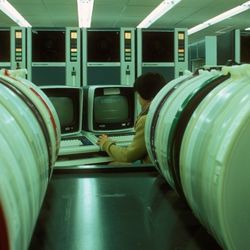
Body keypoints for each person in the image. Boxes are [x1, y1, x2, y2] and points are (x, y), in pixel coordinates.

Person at [97, 72, 166, 164]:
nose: (138, 99)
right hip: (164, 166)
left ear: (144, 95)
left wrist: (106, 143)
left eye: (138, 95)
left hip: (152, 169)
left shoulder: (146, 120)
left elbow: (127, 156)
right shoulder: (166, 112)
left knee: (112, 164)